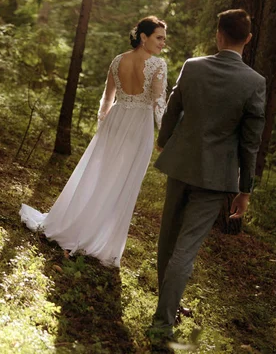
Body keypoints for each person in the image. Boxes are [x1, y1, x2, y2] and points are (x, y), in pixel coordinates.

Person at [148, 9, 266, 345]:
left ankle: (165, 308)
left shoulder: (193, 66)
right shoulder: (254, 83)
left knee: (168, 238)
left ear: (218, 35)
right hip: (216, 178)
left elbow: (173, 108)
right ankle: (162, 322)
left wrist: (163, 142)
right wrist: (245, 190)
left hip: (181, 164)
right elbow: (250, 142)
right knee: (185, 248)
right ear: (247, 39)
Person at [20, 16, 168, 267]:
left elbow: (107, 101)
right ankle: (101, 241)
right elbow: (158, 104)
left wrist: (103, 129)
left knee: (100, 177)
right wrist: (164, 134)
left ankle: (82, 228)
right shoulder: (158, 65)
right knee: (124, 182)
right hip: (139, 127)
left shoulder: (118, 61)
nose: (163, 43)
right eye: (159, 37)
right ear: (144, 37)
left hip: (115, 121)